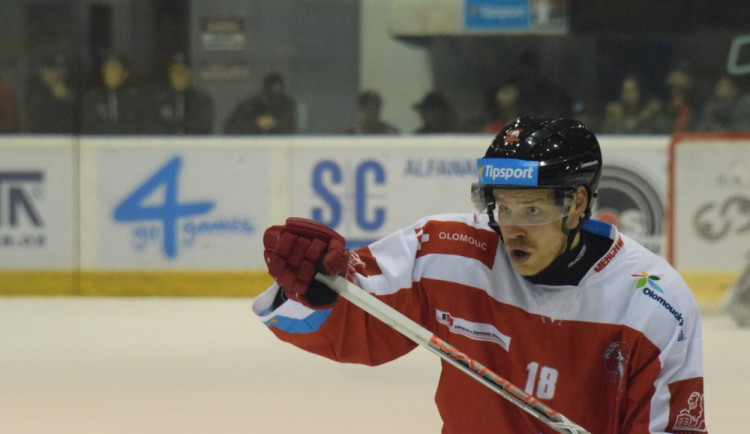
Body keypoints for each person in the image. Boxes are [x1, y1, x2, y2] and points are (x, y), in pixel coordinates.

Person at [254, 117, 707, 433]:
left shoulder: (653, 301)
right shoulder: (449, 251)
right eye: (502, 206)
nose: (512, 228)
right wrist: (317, 290)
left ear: (577, 205)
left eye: (532, 210)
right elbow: (356, 322)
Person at [150, 54, 215, 134]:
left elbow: (204, 126)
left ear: (190, 74)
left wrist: (178, 124)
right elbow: (152, 128)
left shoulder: (201, 99)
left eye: (183, 71)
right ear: (169, 75)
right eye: (176, 71)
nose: (179, 75)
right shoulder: (159, 100)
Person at [81, 53, 145, 134]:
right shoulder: (91, 99)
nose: (109, 73)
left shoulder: (137, 100)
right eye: (106, 69)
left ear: (125, 73)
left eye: (114, 68)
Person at [223, 71, 296, 134]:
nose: (272, 101)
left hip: (280, 144)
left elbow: (294, 130)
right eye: (269, 96)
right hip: (252, 144)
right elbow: (229, 129)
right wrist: (256, 124)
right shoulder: (249, 106)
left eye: (276, 98)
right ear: (263, 92)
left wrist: (276, 123)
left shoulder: (287, 106)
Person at [601, 74, 670, 134]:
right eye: (625, 91)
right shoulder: (613, 120)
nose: (628, 96)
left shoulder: (652, 118)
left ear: (640, 92)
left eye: (631, 91)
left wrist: (644, 118)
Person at [25, 54, 76, 133]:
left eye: (60, 69)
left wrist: (65, 97)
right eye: (50, 70)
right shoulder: (35, 93)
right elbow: (36, 121)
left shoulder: (74, 92)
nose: (56, 74)